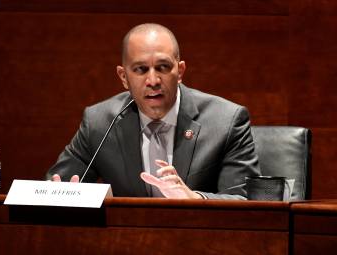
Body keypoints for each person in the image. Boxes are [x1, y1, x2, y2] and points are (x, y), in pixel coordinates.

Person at [45, 23, 261, 199]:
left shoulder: (226, 121)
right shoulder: (99, 122)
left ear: (180, 71)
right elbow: (55, 186)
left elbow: (245, 200)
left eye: (163, 67)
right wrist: (60, 194)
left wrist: (193, 198)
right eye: (140, 70)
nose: (153, 81)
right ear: (123, 77)